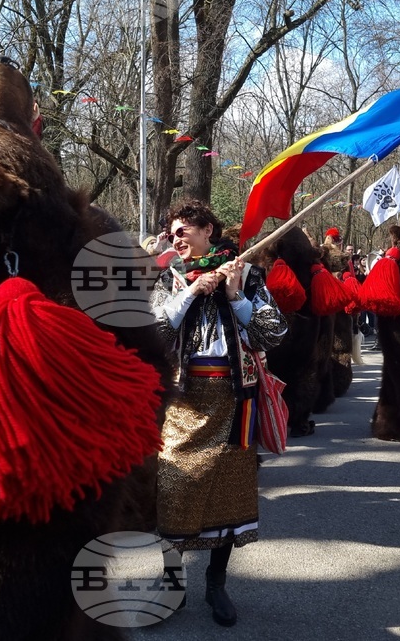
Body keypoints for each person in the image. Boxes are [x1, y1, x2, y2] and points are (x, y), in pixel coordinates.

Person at [150, 199, 286, 627]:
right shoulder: (168, 276)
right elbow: (154, 332)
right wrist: (191, 293)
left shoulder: (245, 273)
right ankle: (171, 585)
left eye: (184, 230)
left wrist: (235, 296)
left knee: (227, 496)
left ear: (208, 230)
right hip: (182, 403)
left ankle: (216, 584)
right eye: (173, 233)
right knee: (174, 488)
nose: (177, 238)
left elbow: (274, 332)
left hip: (234, 400)